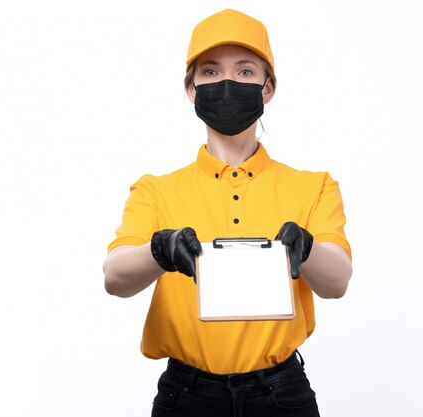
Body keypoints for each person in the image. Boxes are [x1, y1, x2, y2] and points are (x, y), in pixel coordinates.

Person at [103, 8, 353, 417]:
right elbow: (115, 278)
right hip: (185, 394)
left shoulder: (314, 185)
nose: (227, 83)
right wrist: (160, 250)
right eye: (211, 71)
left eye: (245, 72)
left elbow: (337, 282)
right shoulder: (155, 189)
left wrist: (306, 249)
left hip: (281, 393)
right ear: (191, 89)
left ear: (267, 88)